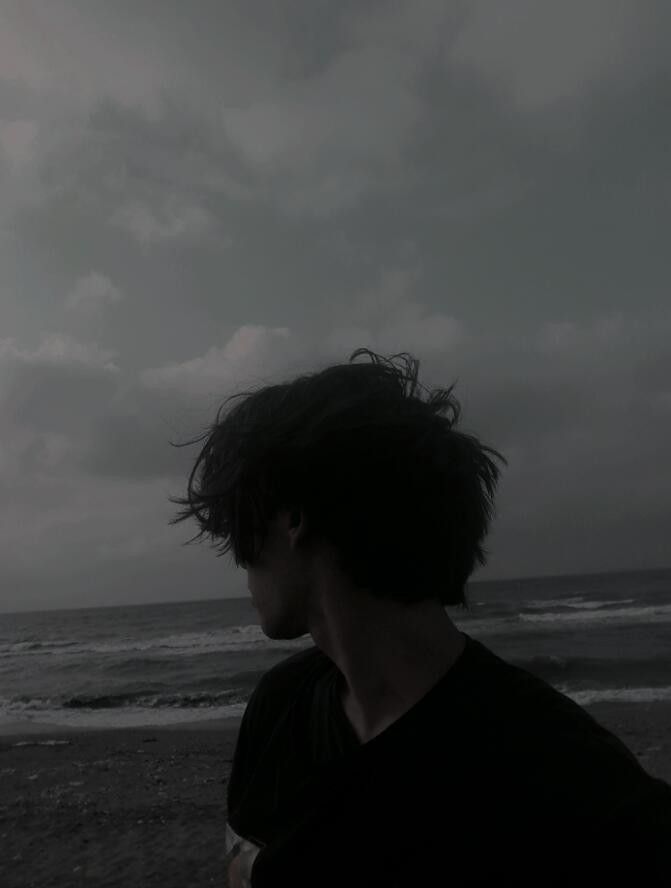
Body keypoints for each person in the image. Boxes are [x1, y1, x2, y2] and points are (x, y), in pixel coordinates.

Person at [169, 349, 671, 886]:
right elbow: (240, 856)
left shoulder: (575, 785)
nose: (238, 558)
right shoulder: (279, 705)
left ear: (293, 519)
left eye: (238, 526)